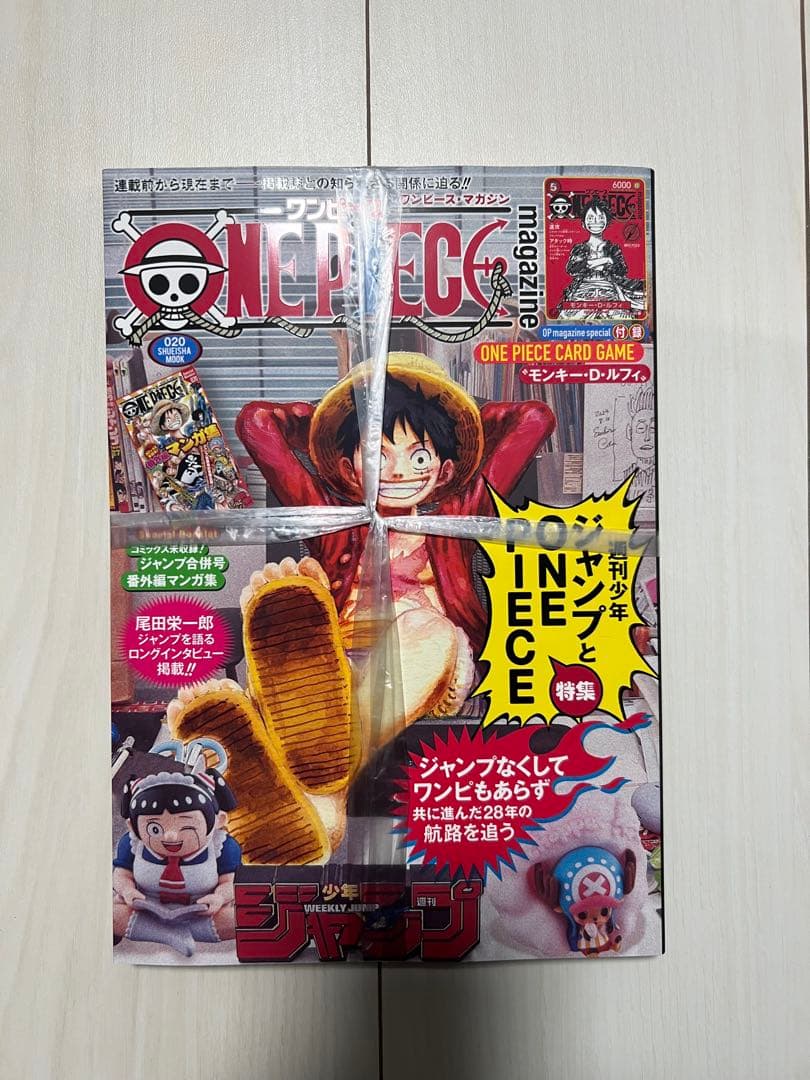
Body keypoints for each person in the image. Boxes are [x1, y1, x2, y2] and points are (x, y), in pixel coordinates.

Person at [113, 742, 241, 956]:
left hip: (201, 912)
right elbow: (121, 874)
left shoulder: (222, 846)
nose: (170, 836)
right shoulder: (132, 843)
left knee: (239, 919)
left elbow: (230, 882)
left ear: (218, 821)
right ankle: (167, 935)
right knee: (111, 914)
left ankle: (162, 931)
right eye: (155, 828)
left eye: (186, 826)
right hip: (146, 909)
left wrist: (219, 898)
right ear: (133, 826)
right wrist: (127, 891)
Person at [560, 198, 645, 320]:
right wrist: (605, 260)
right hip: (583, 289)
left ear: (607, 222)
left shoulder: (613, 248)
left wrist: (594, 263)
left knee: (620, 316)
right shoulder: (580, 248)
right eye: (590, 218)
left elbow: (622, 270)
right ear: (583, 223)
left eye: (600, 218)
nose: (596, 222)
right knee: (571, 318)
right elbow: (571, 269)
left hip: (608, 288)